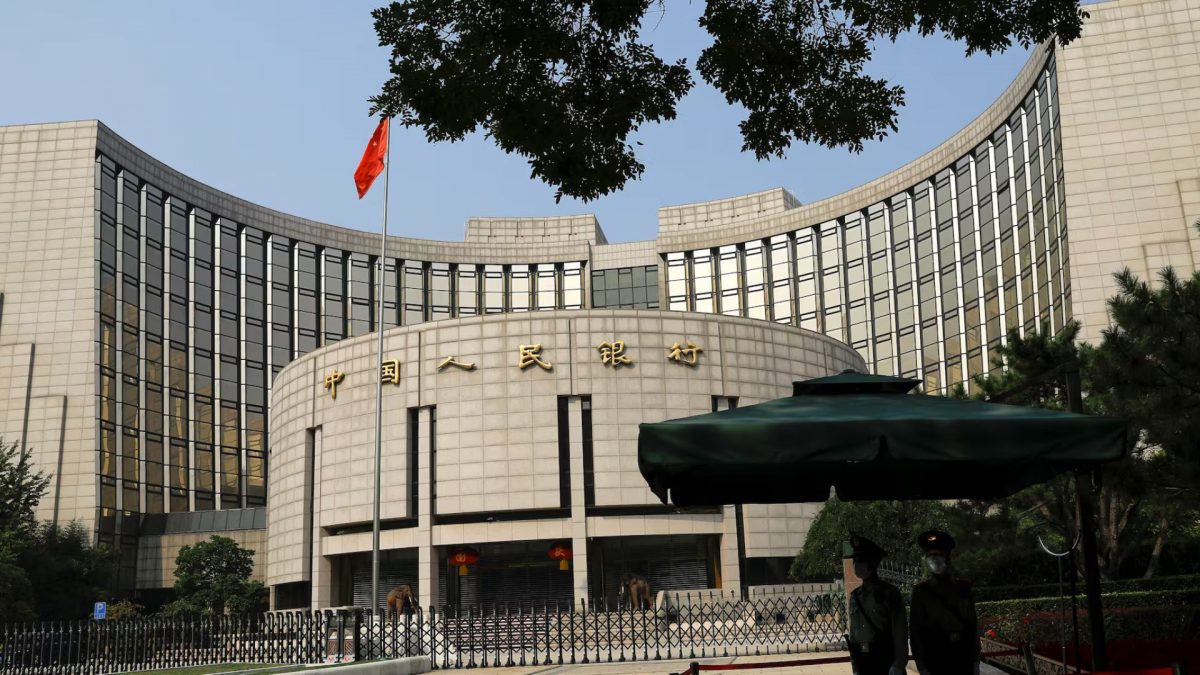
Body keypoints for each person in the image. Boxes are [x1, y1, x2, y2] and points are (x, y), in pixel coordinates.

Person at [909, 530, 981, 675]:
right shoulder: (921, 592)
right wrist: (922, 668)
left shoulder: (964, 588)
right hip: (936, 659)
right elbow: (916, 633)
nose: (933, 559)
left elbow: (973, 628)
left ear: (947, 557)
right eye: (930, 555)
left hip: (962, 657)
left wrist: (975, 662)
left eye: (938, 554)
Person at [844, 533, 908, 675]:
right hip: (863, 661)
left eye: (861, 561)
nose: (856, 565)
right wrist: (855, 667)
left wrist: (898, 664)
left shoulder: (889, 593)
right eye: (855, 560)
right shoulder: (855, 596)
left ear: (872, 563)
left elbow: (900, 632)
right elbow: (854, 634)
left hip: (885, 659)